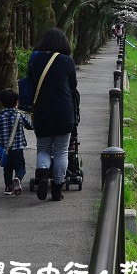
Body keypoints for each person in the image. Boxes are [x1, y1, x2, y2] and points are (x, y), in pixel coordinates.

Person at [27, 27, 80, 201]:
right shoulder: (67, 61)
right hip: (64, 113)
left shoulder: (35, 59)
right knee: (61, 152)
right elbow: (73, 85)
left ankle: (42, 176)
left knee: (43, 148)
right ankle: (57, 190)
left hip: (42, 112)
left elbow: (30, 82)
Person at [0, 88, 32, 196]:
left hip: (4, 150)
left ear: (1, 103)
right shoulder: (19, 115)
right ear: (17, 102)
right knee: (21, 167)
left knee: (7, 169)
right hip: (17, 149)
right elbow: (29, 126)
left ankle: (8, 187)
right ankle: (18, 178)